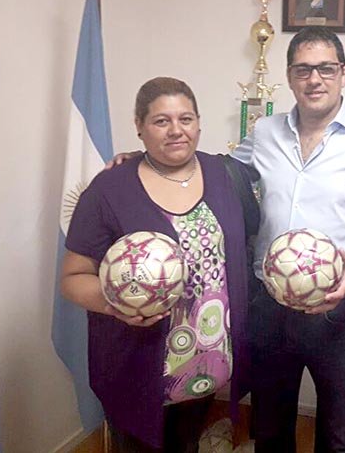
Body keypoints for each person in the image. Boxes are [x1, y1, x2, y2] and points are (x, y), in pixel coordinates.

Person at [232, 26, 345, 452]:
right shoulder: (264, 133)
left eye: (326, 69)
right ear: (290, 76)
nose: (314, 79)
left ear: (344, 74)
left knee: (343, 438)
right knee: (271, 432)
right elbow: (222, 176)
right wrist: (148, 163)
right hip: (269, 308)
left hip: (341, 312)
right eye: (303, 70)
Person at [61, 77, 257, 452]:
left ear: (199, 123)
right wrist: (114, 304)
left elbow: (244, 247)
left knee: (187, 443)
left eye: (185, 119)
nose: (176, 131)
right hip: (138, 365)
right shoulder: (109, 189)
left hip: (207, 362)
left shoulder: (225, 175)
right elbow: (72, 278)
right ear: (139, 125)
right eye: (161, 121)